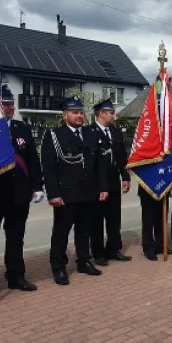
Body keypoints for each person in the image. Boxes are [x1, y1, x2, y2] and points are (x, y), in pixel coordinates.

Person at [0, 85, 44, 302]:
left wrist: (37, 186)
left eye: (11, 103)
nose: (9, 107)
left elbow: (32, 159)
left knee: (16, 237)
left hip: (18, 194)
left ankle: (16, 275)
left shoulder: (22, 128)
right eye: (4, 103)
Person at [40, 96, 108, 286]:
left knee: (84, 230)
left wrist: (102, 187)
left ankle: (83, 261)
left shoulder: (90, 134)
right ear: (65, 115)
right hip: (66, 193)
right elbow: (49, 167)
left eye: (80, 112)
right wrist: (53, 193)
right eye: (74, 112)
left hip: (88, 192)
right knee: (61, 233)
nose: (79, 115)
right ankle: (58, 267)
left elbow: (99, 164)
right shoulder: (54, 135)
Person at [89, 99, 132, 266]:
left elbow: (121, 157)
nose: (114, 116)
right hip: (98, 184)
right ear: (101, 113)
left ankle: (114, 249)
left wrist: (126, 177)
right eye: (111, 113)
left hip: (114, 181)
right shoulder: (90, 132)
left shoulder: (115, 132)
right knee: (97, 220)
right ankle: (99, 253)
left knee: (114, 219)